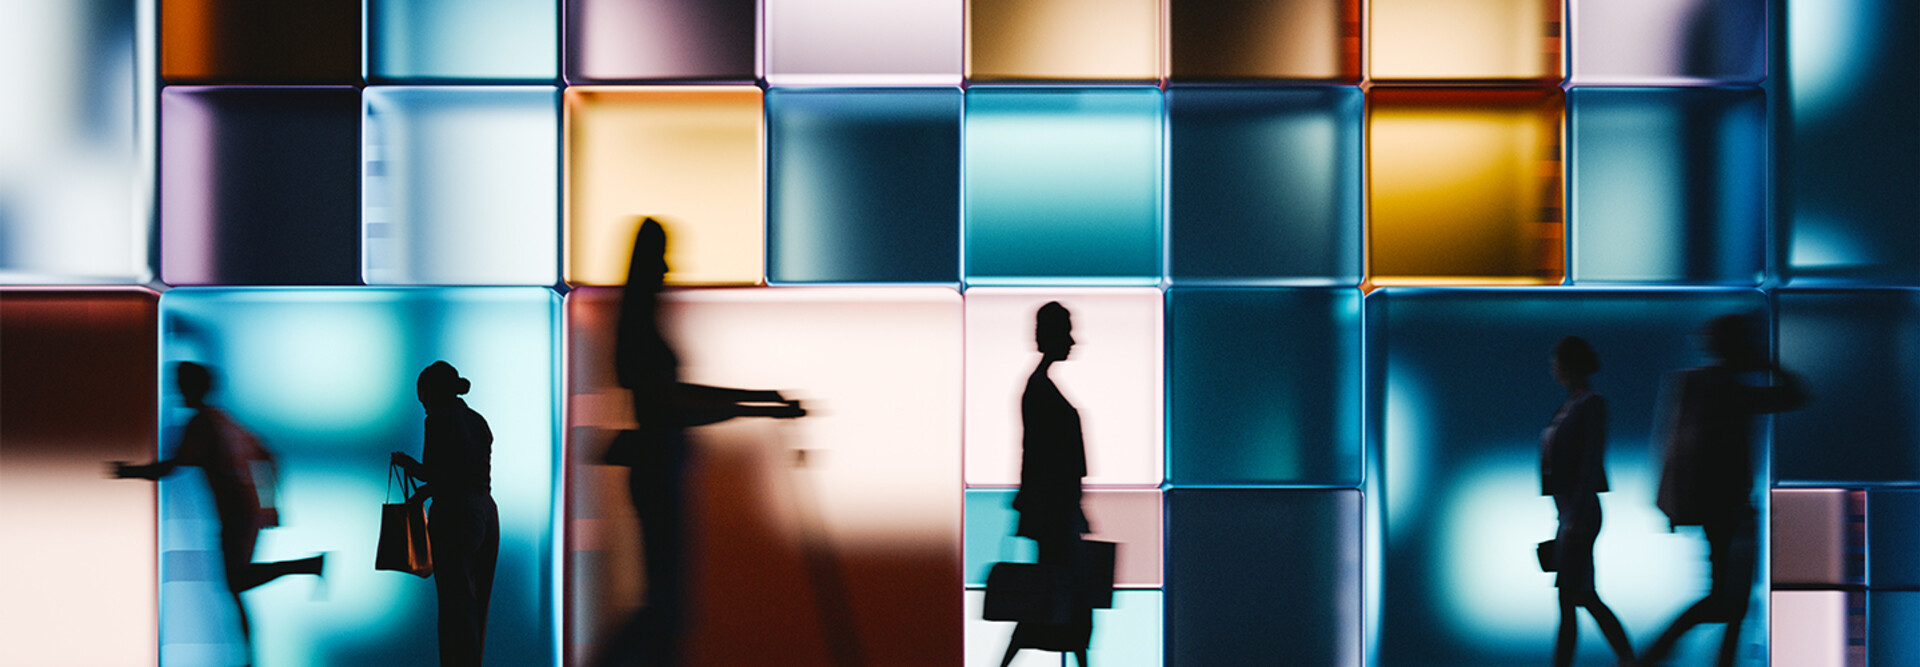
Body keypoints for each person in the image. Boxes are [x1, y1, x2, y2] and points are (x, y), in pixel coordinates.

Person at [598, 217, 805, 667]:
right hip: (660, 469)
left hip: (661, 467)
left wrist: (759, 403)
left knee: (666, 602)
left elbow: (675, 402)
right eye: (662, 256)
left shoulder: (637, 328)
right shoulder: (642, 334)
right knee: (667, 605)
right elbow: (673, 403)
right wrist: (757, 403)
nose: (669, 267)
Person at [112, 361, 324, 666]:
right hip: (245, 510)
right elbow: (268, 455)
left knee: (235, 582)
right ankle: (251, 655)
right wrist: (269, 503)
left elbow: (172, 465)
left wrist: (127, 471)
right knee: (235, 584)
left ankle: (307, 565)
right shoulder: (224, 420)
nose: (178, 391)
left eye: (182, 384)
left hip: (238, 512)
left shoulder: (203, 423)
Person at [1633, 315, 1806, 667]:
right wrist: (1766, 363)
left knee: (1731, 600)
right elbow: (1796, 393)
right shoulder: (1728, 388)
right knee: (1727, 600)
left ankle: (1659, 657)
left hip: (1718, 506)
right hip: (1728, 507)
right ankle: (1652, 657)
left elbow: (1673, 449)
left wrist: (1672, 503)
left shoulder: (1698, 385)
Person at [1000, 301, 1094, 667]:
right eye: (1067, 331)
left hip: (1054, 513)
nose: (1073, 340)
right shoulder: (1041, 390)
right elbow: (1046, 459)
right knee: (1058, 598)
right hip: (1055, 515)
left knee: (1052, 599)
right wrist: (1072, 509)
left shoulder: (1038, 387)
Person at [391, 361, 499, 667]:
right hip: (486, 513)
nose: (421, 401)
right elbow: (460, 474)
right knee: (477, 607)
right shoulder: (478, 420)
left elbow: (434, 474)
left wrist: (405, 463)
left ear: (430, 391)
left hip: (455, 518)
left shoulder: (438, 419)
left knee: (454, 608)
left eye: (422, 394)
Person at [1539, 337, 1634, 667]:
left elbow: (1591, 461)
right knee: (1580, 595)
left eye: (1557, 361)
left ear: (1569, 365)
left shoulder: (1591, 404)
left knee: (1574, 596)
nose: (1553, 368)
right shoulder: (1570, 406)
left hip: (1579, 511)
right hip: (1569, 512)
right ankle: (1629, 658)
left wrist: (1575, 516)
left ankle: (1628, 658)